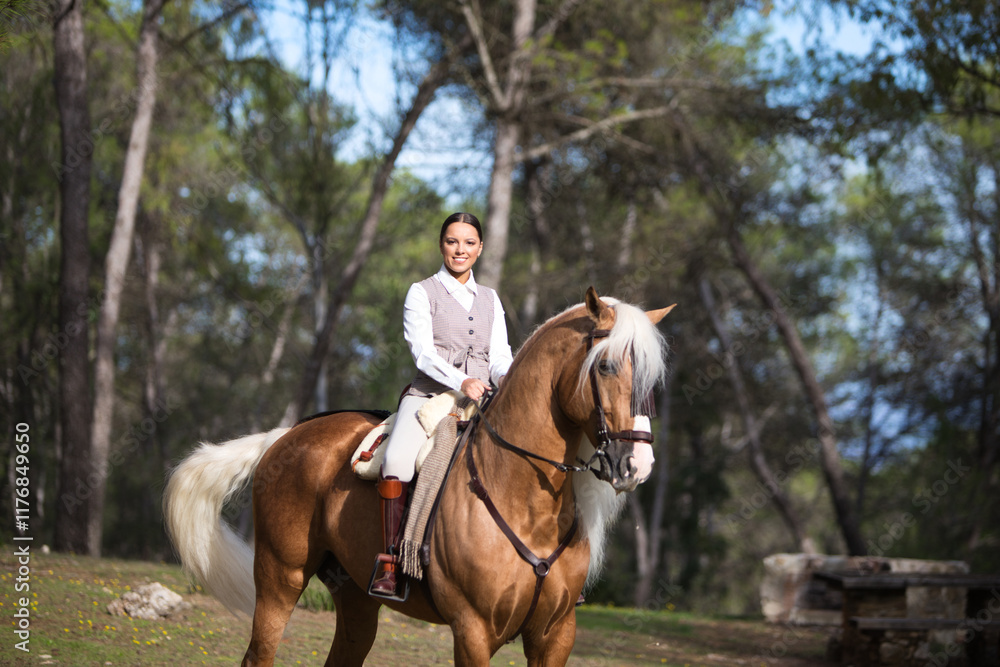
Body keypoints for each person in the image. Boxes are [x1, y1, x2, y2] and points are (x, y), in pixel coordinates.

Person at [370, 212, 513, 599]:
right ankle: (391, 560)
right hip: (430, 396)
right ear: (441, 245)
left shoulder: (491, 298)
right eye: (452, 241)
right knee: (397, 460)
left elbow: (499, 356)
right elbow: (423, 354)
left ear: (480, 248)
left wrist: (510, 379)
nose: (460, 250)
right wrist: (461, 380)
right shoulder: (421, 292)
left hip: (483, 398)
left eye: (469, 242)